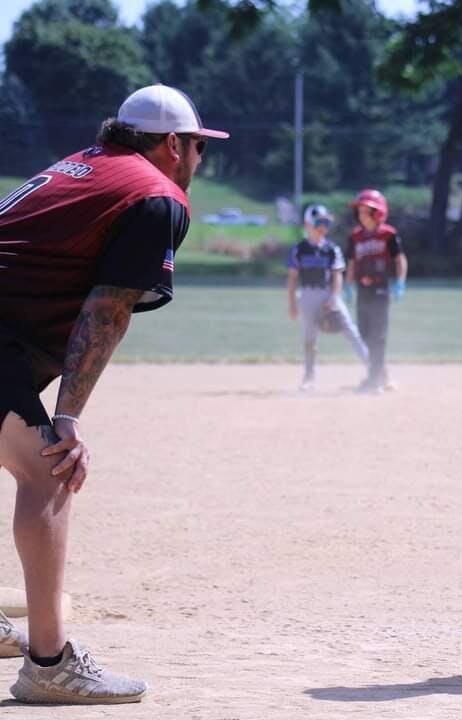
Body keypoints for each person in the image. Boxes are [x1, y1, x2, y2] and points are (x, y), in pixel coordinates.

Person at [0, 83, 228, 704]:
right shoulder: (156, 197)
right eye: (200, 147)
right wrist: (67, 419)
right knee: (48, 470)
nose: (200, 159)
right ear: (174, 145)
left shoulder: (82, 167)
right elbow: (108, 311)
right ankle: (50, 666)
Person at [287, 204, 369, 391]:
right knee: (309, 338)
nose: (323, 226)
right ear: (308, 224)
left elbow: (337, 275)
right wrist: (292, 304)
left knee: (351, 331)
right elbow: (292, 278)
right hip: (307, 295)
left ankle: (375, 371)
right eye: (319, 222)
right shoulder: (299, 249)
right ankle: (308, 379)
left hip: (328, 294)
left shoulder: (332, 249)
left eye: (326, 222)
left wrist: (334, 297)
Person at [346, 189, 407, 395]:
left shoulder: (388, 234)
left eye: (366, 211)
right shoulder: (356, 236)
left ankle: (374, 381)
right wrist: (348, 285)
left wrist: (400, 282)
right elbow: (351, 263)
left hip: (380, 289)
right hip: (363, 290)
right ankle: (381, 374)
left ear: (378, 213)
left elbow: (400, 260)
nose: (362, 215)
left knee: (377, 336)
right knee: (364, 335)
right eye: (360, 211)